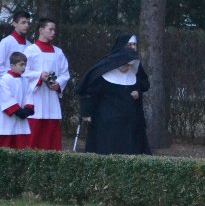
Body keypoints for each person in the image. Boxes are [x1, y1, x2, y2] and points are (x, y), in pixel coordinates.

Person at [76, 47, 148, 155]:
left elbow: (141, 88)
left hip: (128, 124)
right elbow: (89, 94)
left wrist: (137, 93)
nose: (128, 68)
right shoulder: (102, 76)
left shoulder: (133, 76)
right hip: (106, 122)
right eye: (126, 65)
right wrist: (86, 113)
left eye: (130, 65)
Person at [22, 18, 70, 150]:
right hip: (36, 97)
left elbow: (65, 73)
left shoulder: (58, 52)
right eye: (50, 29)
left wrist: (58, 84)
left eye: (54, 30)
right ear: (41, 30)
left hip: (51, 99)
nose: (53, 32)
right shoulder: (30, 50)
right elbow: (23, 72)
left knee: (51, 135)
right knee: (33, 134)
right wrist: (39, 75)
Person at [108, 33, 151, 154]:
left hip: (133, 112)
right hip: (113, 113)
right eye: (129, 45)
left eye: (134, 45)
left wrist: (138, 91)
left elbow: (145, 83)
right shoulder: (109, 63)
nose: (133, 47)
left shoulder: (136, 63)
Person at [0, 51, 33, 149]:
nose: (24, 67)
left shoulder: (25, 81)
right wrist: (18, 111)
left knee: (20, 149)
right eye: (21, 64)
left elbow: (29, 96)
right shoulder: (4, 80)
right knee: (5, 148)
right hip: (7, 120)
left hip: (21, 123)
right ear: (12, 66)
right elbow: (6, 98)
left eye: (25, 65)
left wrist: (28, 109)